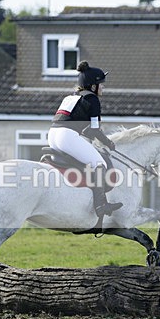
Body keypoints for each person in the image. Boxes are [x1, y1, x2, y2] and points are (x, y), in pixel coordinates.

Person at [48, 61, 123, 217]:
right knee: (99, 164)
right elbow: (95, 129)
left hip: (53, 135)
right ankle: (101, 205)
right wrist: (108, 143)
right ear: (92, 86)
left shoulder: (72, 96)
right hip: (66, 136)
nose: (103, 87)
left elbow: (85, 128)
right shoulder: (92, 99)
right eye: (100, 84)